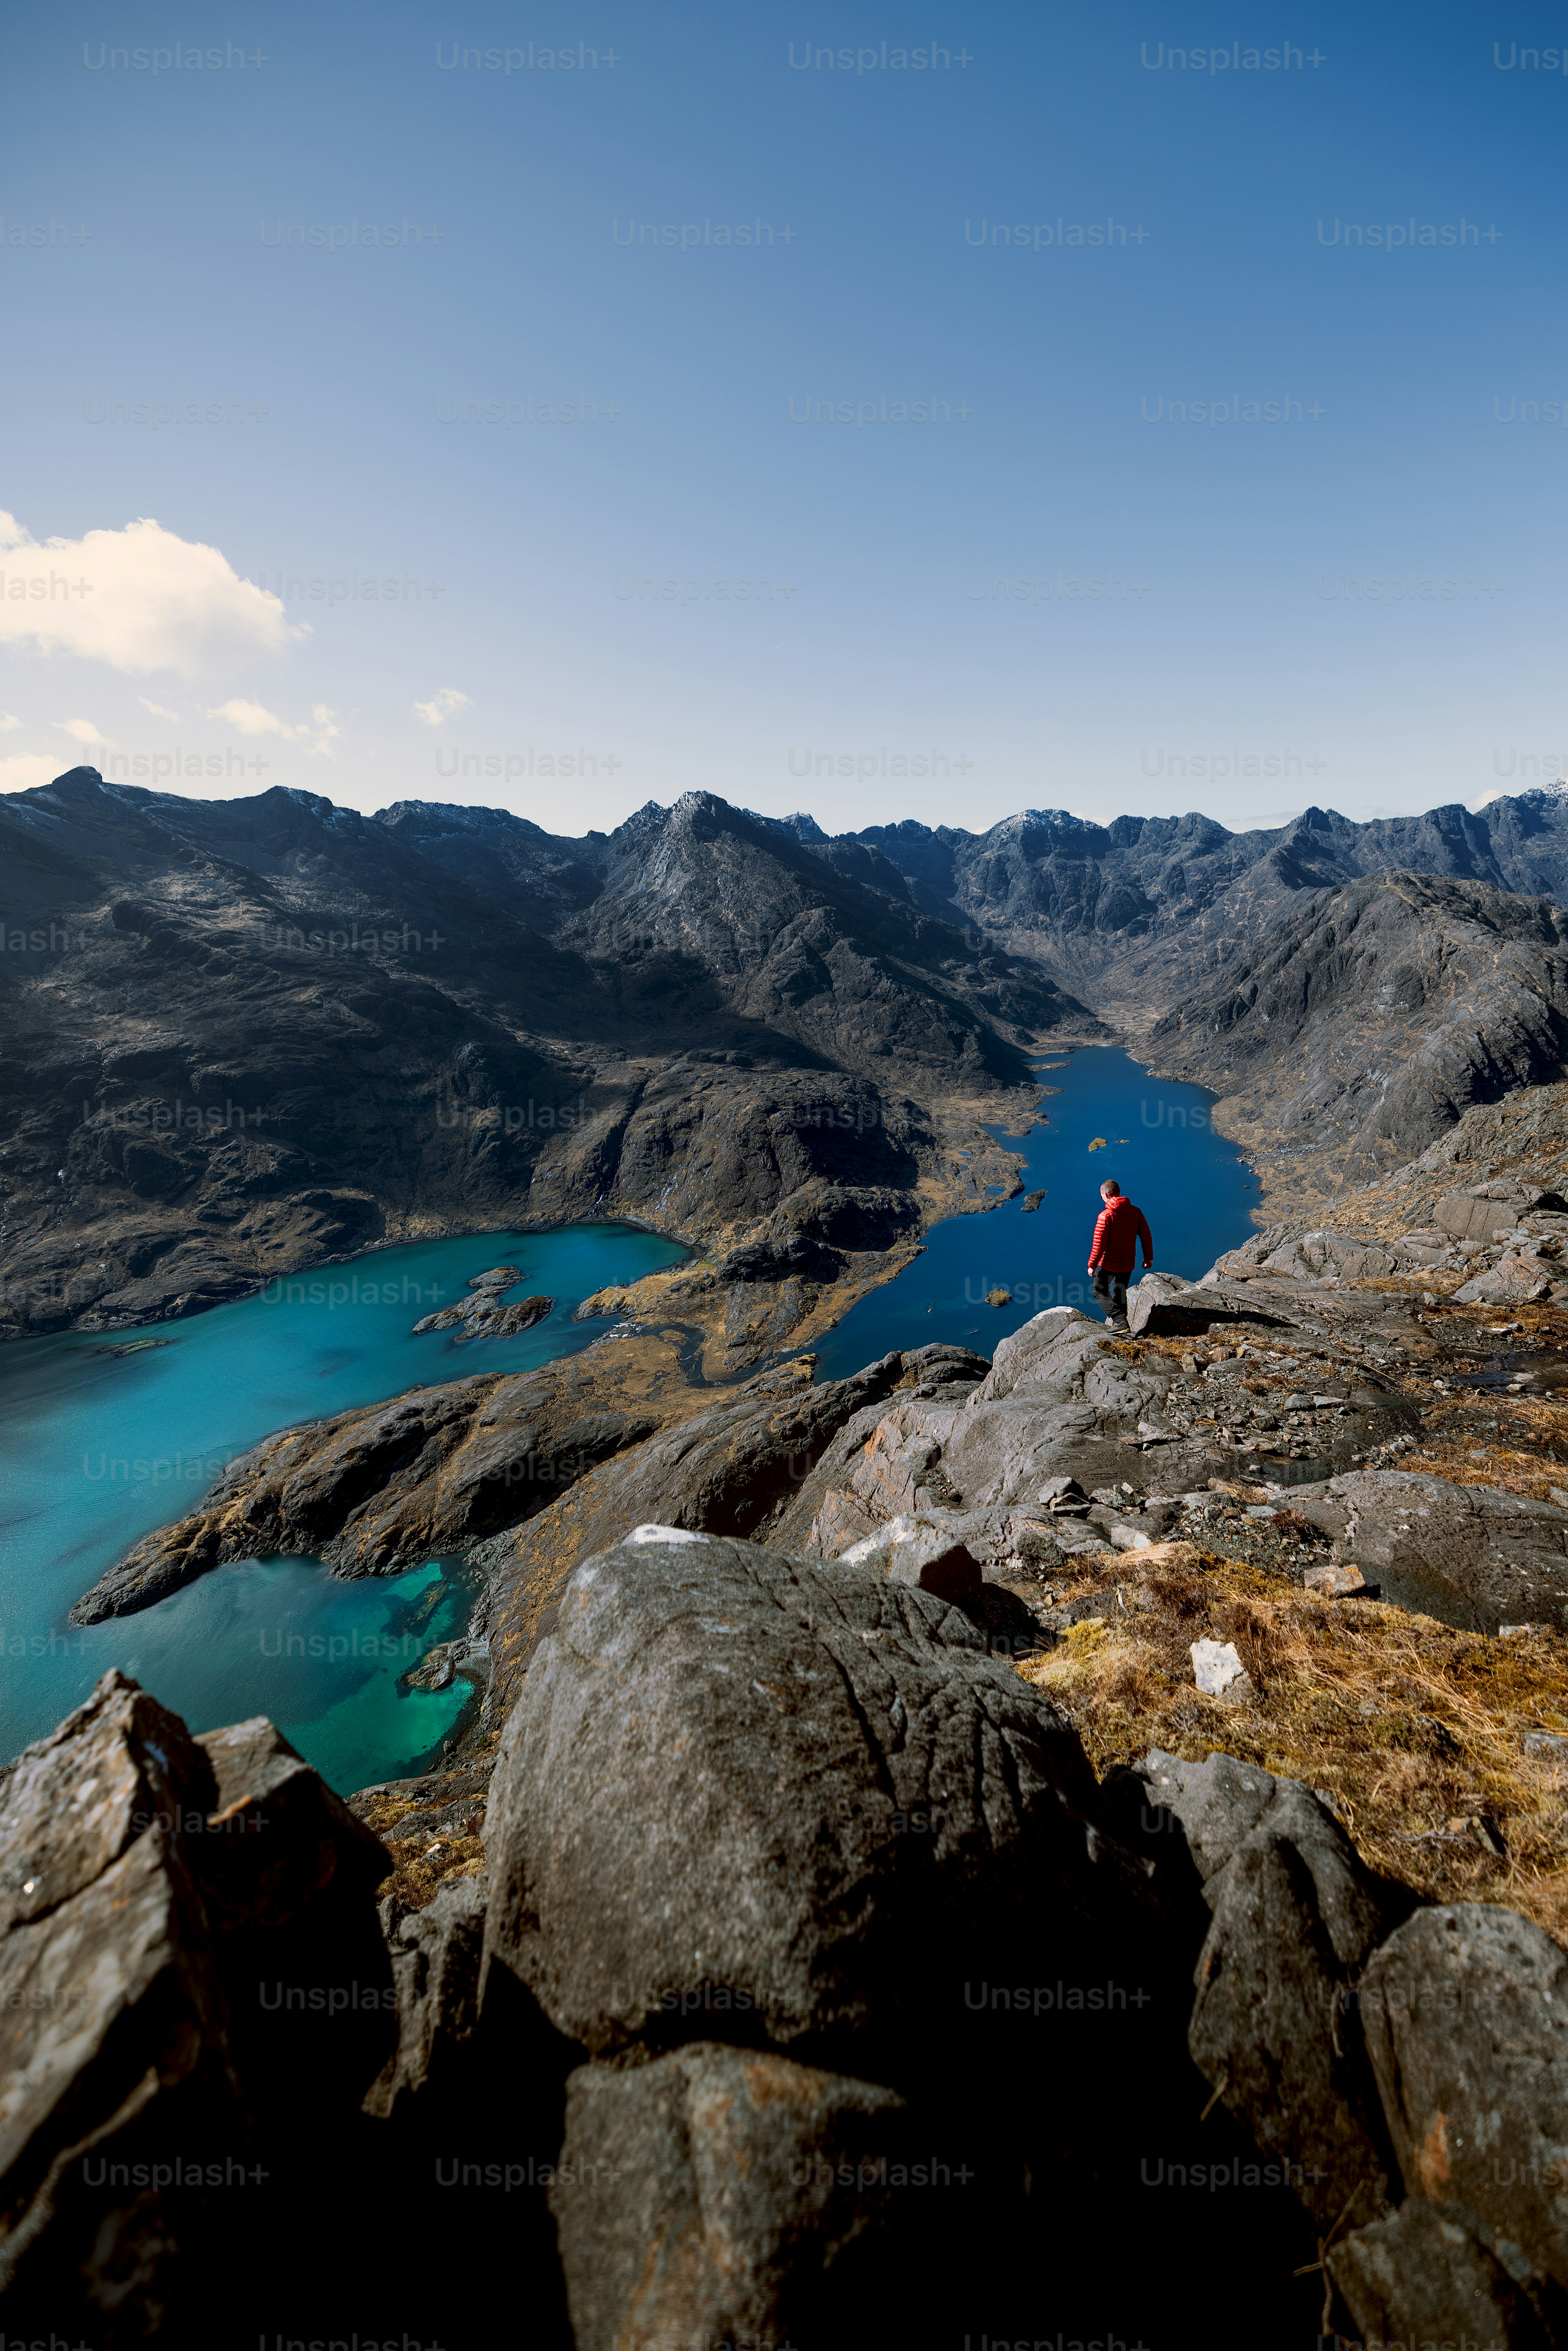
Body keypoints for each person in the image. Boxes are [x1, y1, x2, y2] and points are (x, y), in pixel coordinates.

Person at [1087, 1178, 1153, 1329]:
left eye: (1102, 1195)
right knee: (1120, 1293)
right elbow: (1146, 1236)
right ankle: (1124, 1327)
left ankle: (1120, 1321)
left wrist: (1092, 1265)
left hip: (1107, 1265)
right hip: (1127, 1263)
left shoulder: (1106, 1216)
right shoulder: (1136, 1212)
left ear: (1106, 1195)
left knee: (1099, 1292)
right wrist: (1148, 1258)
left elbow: (1099, 1245)